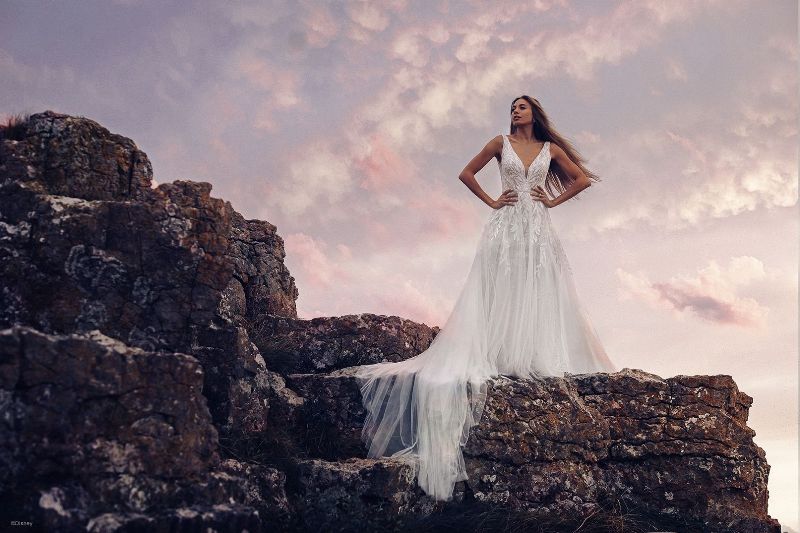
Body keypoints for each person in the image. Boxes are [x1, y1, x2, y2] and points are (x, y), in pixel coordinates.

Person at [355, 95, 618, 501]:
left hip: (537, 228)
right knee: (499, 285)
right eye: (512, 107)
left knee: (537, 287)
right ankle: (499, 350)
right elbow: (466, 173)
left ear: (535, 114)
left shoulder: (551, 150)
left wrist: (553, 201)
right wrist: (493, 200)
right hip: (505, 226)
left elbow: (581, 179)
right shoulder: (499, 143)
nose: (515, 112)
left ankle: (530, 349)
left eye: (522, 107)